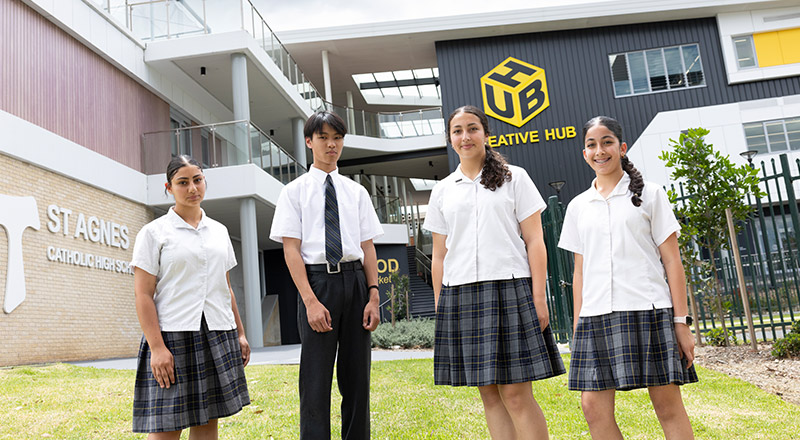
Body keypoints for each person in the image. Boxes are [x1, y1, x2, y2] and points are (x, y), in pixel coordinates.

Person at [423, 105, 565, 440]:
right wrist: (441, 303)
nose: (465, 136)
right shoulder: (443, 190)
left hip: (509, 290)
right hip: (461, 294)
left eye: (472, 128)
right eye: (457, 131)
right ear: (450, 139)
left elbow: (535, 241)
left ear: (486, 134)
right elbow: (439, 255)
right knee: (488, 393)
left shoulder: (515, 178)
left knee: (516, 394)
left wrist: (539, 298)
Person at [558, 116, 697, 439]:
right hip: (595, 316)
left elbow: (673, 261)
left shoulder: (650, 194)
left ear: (621, 148)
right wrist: (579, 323)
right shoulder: (578, 206)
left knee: (666, 406)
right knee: (592, 408)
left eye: (606, 142)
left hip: (647, 310)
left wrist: (681, 321)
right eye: (591, 145)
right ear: (584, 153)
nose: (599, 150)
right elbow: (580, 270)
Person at [269, 111, 383, 440]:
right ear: (309, 142)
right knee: (315, 381)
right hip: (318, 283)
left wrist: (373, 295)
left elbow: (368, 247)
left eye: (337, 138)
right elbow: (291, 250)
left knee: (357, 379)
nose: (331, 144)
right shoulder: (293, 192)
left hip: (356, 283)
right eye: (323, 138)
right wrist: (310, 301)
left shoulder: (356, 192)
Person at [130, 155, 250, 439]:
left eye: (197, 180)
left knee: (208, 423)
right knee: (166, 429)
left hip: (218, 333)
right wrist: (157, 348)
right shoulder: (153, 233)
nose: (192, 188)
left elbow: (225, 287)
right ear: (169, 187)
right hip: (173, 337)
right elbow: (143, 294)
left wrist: (240, 334)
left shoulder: (219, 231)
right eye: (182, 182)